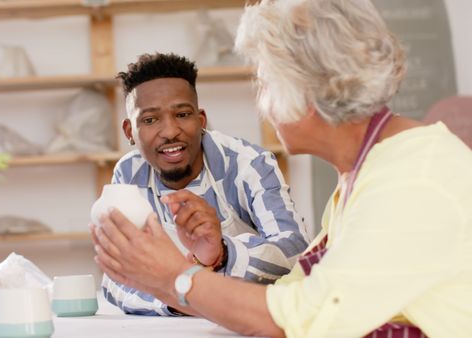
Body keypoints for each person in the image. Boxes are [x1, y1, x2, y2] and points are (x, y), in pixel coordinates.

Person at [91, 0, 472, 337]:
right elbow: (283, 297)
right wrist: (177, 278)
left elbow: (299, 318)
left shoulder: (412, 180)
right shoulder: (364, 175)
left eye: (265, 82)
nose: (263, 104)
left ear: (307, 93)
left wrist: (174, 276)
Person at [101, 53, 310, 316]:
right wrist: (177, 301)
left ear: (201, 121)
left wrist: (222, 253)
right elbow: (116, 275)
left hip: (247, 318)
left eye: (182, 114)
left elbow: (297, 252)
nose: (170, 131)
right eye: (150, 120)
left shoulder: (249, 164)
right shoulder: (128, 175)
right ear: (130, 131)